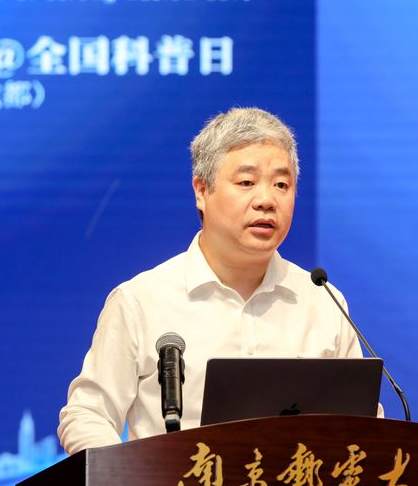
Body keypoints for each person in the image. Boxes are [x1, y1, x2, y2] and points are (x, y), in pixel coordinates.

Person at [58, 108, 364, 455]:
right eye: (246, 183)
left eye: (281, 184)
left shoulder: (323, 302)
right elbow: (87, 415)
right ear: (201, 190)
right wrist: (124, 479)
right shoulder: (142, 301)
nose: (266, 200)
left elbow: (362, 427)